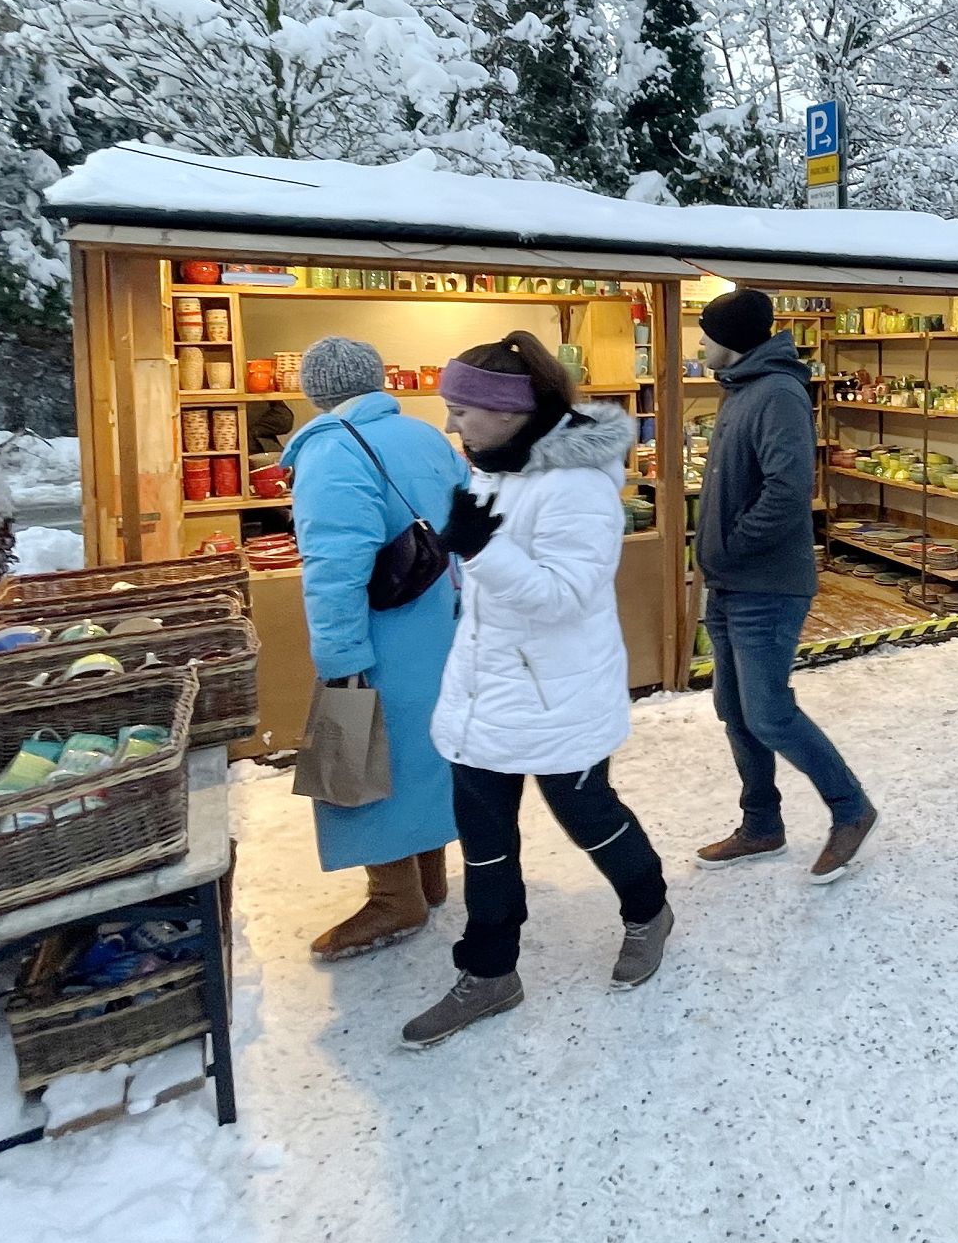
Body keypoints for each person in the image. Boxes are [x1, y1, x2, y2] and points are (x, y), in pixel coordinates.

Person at [396, 336, 672, 1046]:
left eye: (462, 411)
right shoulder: (494, 468)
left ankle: (649, 908)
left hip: (557, 697)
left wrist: (481, 549)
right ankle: (490, 971)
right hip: (484, 693)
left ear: (509, 410)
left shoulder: (577, 485)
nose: (452, 424)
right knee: (485, 843)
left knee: (590, 819)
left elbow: (564, 595)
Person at [283, 337, 463, 960]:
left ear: (315, 391)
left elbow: (334, 568)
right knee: (423, 755)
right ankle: (429, 877)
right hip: (440, 625)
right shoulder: (426, 437)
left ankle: (393, 898)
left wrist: (340, 659)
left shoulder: (331, 449)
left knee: (361, 757)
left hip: (379, 635)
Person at [692, 288, 879, 881]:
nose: (700, 343)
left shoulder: (777, 393)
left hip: (766, 585)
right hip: (730, 582)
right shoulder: (741, 388)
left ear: (731, 339)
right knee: (734, 710)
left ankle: (851, 809)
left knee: (769, 714)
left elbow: (789, 488)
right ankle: (761, 826)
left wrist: (734, 545)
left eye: (706, 333)